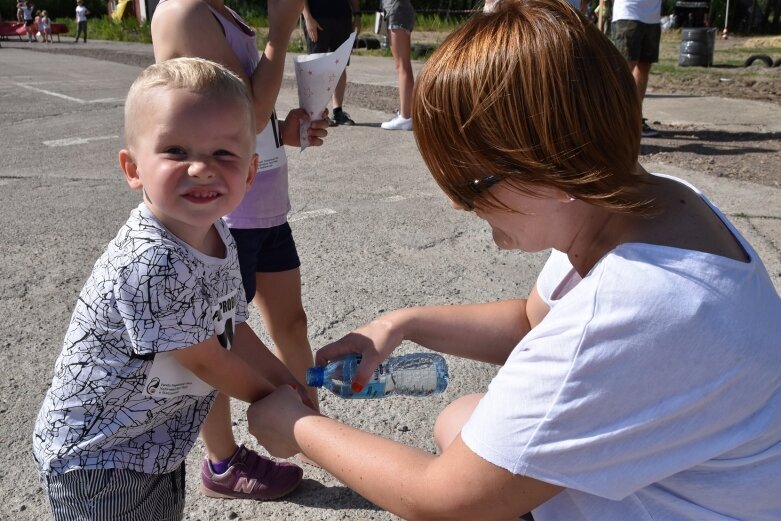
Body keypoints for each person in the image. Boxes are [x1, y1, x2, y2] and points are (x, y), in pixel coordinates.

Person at [246, 1, 781, 519]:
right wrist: (398, 325)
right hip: (691, 480)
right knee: (461, 417)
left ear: (555, 163)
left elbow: (442, 501)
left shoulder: (634, 308)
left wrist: (299, 428)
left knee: (466, 458)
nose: (458, 203)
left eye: (470, 182)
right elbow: (533, 318)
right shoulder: (647, 202)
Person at [32, 57, 313, 521]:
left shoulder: (218, 233)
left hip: (155, 438)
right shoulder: (151, 260)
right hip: (100, 456)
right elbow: (205, 357)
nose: (202, 168)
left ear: (249, 173)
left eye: (224, 154)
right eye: (177, 151)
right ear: (133, 168)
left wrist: (288, 383)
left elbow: (229, 328)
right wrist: (274, 404)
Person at [151, 0, 328, 501]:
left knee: (292, 323)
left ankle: (309, 427)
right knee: (219, 339)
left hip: (266, 206)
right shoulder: (185, 12)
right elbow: (247, 112)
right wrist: (281, 28)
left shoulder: (219, 11)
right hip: (229, 216)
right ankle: (223, 461)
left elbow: (247, 121)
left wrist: (285, 132)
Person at [302, 0, 361, 126]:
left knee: (340, 66)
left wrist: (357, 15)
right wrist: (307, 17)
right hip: (317, 18)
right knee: (316, 67)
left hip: (342, 19)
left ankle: (338, 112)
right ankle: (317, 113)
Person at [611, 0, 662, 137]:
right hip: (628, 13)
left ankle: (634, 118)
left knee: (644, 66)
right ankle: (616, 119)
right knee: (624, 68)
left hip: (652, 17)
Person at [380, 0, 415, 131]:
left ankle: (406, 117)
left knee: (402, 65)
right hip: (397, 10)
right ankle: (407, 114)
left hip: (397, 11)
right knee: (402, 65)